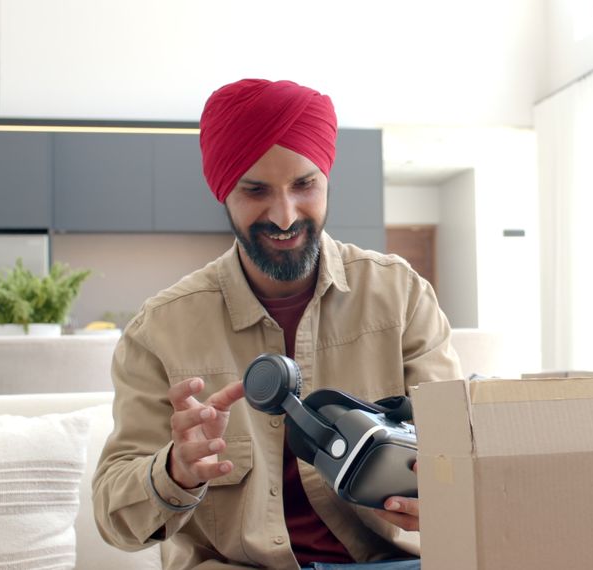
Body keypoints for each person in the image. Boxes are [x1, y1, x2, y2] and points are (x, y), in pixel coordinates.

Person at [91, 78, 462, 570]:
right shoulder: (160, 329)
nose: (285, 215)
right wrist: (177, 470)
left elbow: (463, 455)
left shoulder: (400, 295)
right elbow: (113, 519)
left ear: (327, 181)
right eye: (256, 190)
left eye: (304, 185)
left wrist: (446, 499)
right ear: (224, 192)